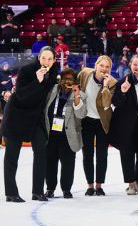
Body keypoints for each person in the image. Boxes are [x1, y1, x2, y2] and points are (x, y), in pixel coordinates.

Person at [2, 47, 59, 202]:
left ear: (54, 60)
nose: (46, 62)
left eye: (50, 59)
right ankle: (11, 193)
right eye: (43, 58)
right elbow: (20, 95)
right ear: (39, 58)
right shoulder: (27, 70)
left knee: (41, 151)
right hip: (16, 115)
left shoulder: (54, 72)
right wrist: (37, 81)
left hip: (36, 117)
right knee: (12, 155)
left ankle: (37, 191)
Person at [109, 55, 138, 195]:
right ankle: (130, 183)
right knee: (126, 153)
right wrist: (122, 91)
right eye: (135, 65)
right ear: (130, 66)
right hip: (126, 123)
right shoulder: (122, 81)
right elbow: (115, 102)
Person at [44, 68, 87, 199]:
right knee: (49, 163)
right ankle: (50, 188)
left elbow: (81, 114)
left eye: (70, 79)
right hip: (50, 134)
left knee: (68, 164)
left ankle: (66, 189)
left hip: (68, 136)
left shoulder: (81, 95)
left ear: (75, 82)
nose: (67, 81)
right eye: (64, 78)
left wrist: (77, 96)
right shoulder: (52, 91)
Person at [77, 56, 116, 196]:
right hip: (86, 120)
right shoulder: (85, 73)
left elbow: (106, 104)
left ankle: (99, 185)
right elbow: (77, 89)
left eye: (107, 67)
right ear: (96, 65)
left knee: (102, 155)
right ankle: (90, 185)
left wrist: (105, 85)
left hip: (102, 122)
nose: (104, 69)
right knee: (87, 154)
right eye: (102, 66)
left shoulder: (112, 83)